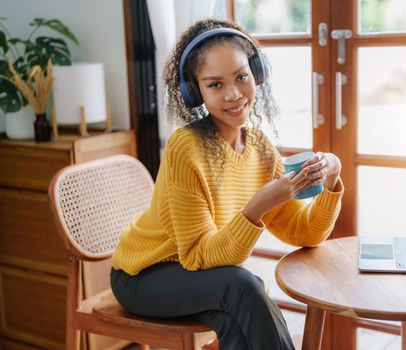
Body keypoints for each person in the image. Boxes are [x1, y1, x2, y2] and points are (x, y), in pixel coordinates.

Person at [110, 18, 344, 350]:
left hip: (201, 280)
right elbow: (196, 257)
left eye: (241, 77)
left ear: (256, 75)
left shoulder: (261, 148)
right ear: (195, 91)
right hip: (142, 277)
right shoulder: (185, 148)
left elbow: (304, 233)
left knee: (235, 320)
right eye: (215, 84)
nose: (234, 94)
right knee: (241, 285)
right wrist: (258, 205)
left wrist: (332, 178)